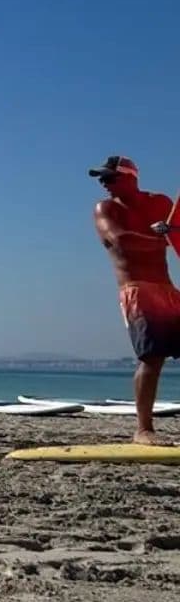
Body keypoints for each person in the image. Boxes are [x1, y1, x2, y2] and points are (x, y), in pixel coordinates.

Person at [91, 155, 180, 444]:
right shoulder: (105, 209)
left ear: (130, 176)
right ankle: (143, 429)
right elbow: (119, 240)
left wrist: (169, 233)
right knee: (152, 358)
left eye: (109, 177)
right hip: (136, 289)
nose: (104, 183)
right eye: (102, 178)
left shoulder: (161, 203)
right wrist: (157, 237)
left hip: (167, 288)